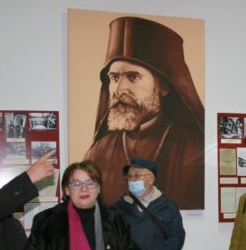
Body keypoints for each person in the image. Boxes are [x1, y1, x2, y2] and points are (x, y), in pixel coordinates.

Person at [85, 16, 204, 210]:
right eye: (114, 77)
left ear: (163, 86)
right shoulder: (97, 153)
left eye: (133, 77)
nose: (119, 89)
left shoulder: (194, 149)